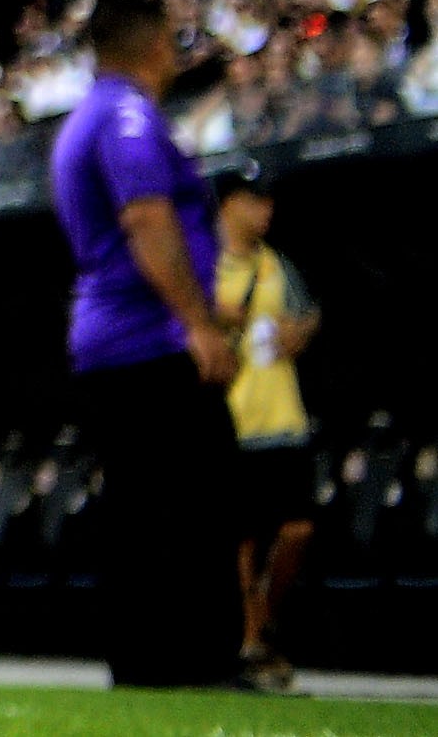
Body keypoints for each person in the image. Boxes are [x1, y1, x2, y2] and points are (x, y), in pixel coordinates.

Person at [48, 0, 248, 690]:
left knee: (139, 505)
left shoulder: (86, 117)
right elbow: (148, 222)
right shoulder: (127, 114)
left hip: (115, 342)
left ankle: (145, 662)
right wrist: (196, 324)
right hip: (149, 344)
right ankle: (200, 659)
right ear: (158, 46)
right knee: (196, 501)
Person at [211, 168, 323, 691]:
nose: (265, 211)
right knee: (243, 539)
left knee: (297, 529)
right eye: (254, 201)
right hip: (234, 421)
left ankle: (264, 624)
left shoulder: (277, 264)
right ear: (229, 204)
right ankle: (251, 641)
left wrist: (297, 333)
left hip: (284, 418)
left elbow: (309, 315)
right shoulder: (206, 265)